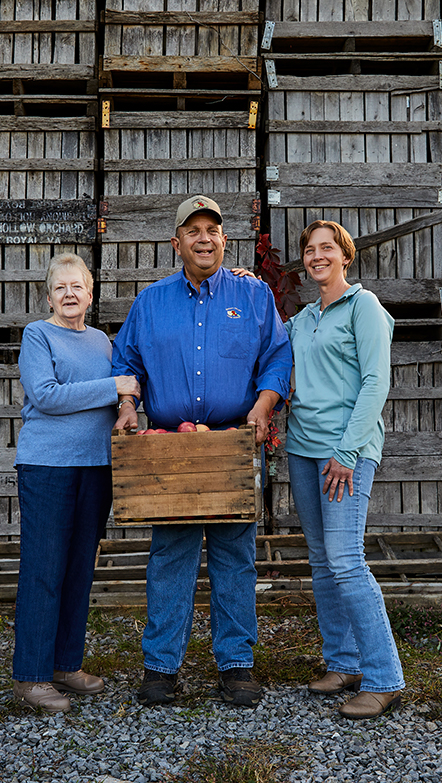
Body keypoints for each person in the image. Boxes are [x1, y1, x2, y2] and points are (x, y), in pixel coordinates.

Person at [112, 195, 293, 708]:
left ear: (224, 239)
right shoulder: (150, 302)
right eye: (192, 230)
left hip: (233, 442)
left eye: (212, 229)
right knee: (171, 557)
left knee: (235, 558)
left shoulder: (253, 297)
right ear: (177, 243)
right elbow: (125, 362)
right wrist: (128, 405)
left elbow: (277, 357)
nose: (204, 238)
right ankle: (161, 668)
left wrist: (262, 408)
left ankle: (237, 666)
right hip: (170, 449)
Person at [284, 220, 405, 719]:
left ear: (345, 256)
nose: (317, 256)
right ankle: (344, 663)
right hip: (303, 449)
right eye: (310, 251)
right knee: (321, 560)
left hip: (344, 454)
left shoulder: (365, 307)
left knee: (346, 560)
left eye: (326, 248)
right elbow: (269, 341)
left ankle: (384, 677)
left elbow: (376, 384)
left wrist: (348, 452)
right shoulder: (305, 317)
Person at [12, 253, 140, 713]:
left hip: (94, 466)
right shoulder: (38, 335)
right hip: (48, 467)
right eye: (60, 287)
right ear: (49, 296)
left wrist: (126, 404)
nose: (70, 294)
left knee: (79, 569)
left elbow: (121, 393)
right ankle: (31, 676)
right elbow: (45, 396)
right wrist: (114, 388)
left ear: (90, 294)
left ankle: (65, 665)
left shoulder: (103, 343)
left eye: (78, 286)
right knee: (44, 570)